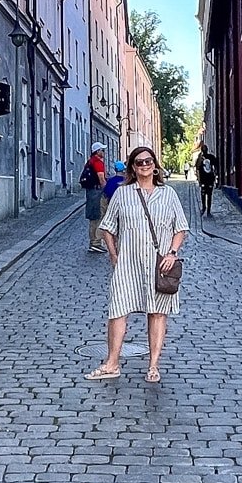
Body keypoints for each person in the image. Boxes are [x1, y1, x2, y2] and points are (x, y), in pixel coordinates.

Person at [86, 146, 189, 384]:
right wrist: (114, 256)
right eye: (139, 162)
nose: (144, 165)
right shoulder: (123, 194)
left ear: (155, 165)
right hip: (128, 264)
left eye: (148, 161)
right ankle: (112, 363)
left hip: (159, 264)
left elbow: (181, 228)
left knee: (157, 312)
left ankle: (153, 366)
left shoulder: (169, 194)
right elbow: (107, 227)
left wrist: (172, 253)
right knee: (117, 311)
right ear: (133, 167)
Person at [80, 142, 107, 253]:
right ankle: (96, 242)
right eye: (102, 150)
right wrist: (106, 190)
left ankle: (93, 242)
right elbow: (101, 178)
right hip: (97, 192)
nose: (104, 152)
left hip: (91, 191)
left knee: (93, 217)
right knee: (98, 216)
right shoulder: (97, 162)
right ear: (97, 151)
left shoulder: (90, 162)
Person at [194, 145, 218, 217]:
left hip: (206, 180)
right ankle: (206, 209)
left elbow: (197, 170)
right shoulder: (202, 158)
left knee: (205, 194)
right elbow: (215, 168)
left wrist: (199, 180)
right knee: (207, 195)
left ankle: (206, 209)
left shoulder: (202, 158)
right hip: (208, 180)